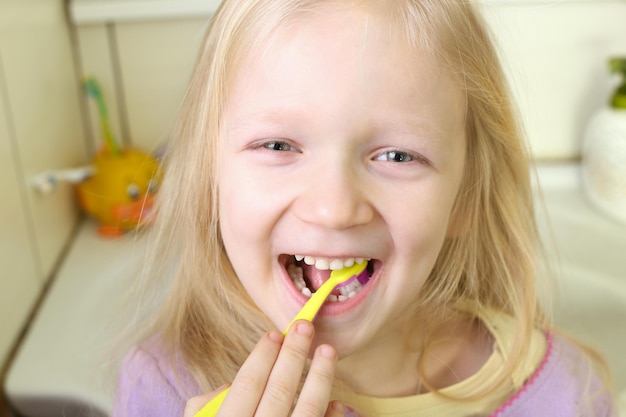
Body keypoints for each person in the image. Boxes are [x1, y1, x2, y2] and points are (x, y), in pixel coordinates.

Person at [112, 1, 616, 416]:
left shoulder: (565, 394)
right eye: (278, 146)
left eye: (397, 155)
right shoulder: (163, 390)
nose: (334, 209)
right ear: (208, 181)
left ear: (466, 198)